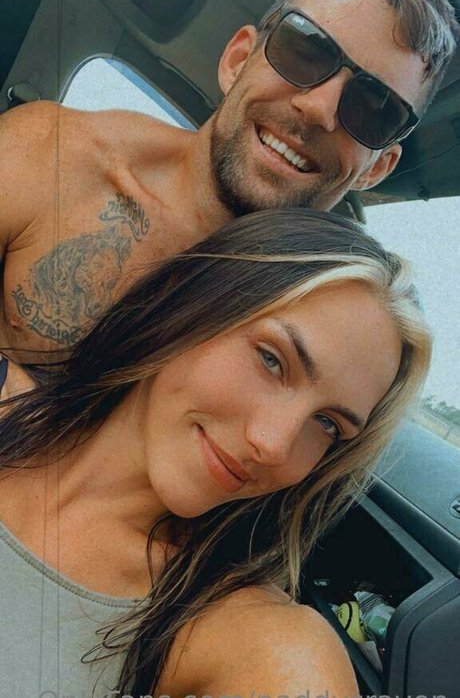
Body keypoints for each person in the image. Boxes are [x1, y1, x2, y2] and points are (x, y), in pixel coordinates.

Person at [0, 210, 431, 697]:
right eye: (272, 360)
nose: (273, 445)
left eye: (327, 424)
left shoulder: (256, 637)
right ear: (186, 302)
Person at [0, 0, 457, 362]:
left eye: (375, 109)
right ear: (237, 59)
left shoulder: (316, 330)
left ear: (378, 167)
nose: (319, 109)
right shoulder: (54, 152)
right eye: (306, 49)